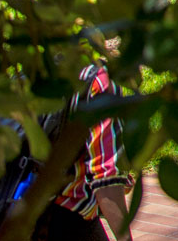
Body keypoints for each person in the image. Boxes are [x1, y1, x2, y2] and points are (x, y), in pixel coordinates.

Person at [34, 64, 132, 241]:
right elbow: (106, 177)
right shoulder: (98, 81)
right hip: (66, 218)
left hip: (15, 211)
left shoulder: (30, 62)